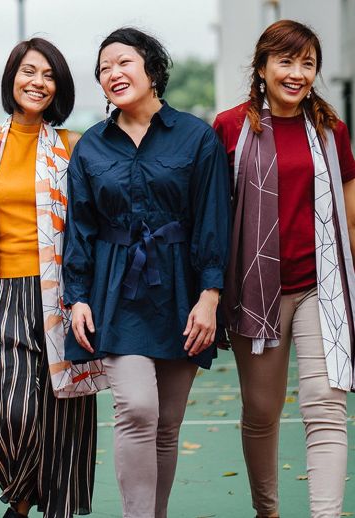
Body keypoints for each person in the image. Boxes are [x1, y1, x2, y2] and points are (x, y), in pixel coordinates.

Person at [62, 28, 231, 517]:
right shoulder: (91, 147)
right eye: (103, 69)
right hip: (115, 291)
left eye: (122, 62)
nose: (112, 74)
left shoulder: (196, 137)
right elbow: (81, 227)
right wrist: (78, 296)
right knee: (136, 409)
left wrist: (210, 295)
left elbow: (212, 220)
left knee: (168, 424)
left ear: (152, 68)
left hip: (182, 290)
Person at [212, 19, 355, 518]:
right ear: (263, 66)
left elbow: (348, 205)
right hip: (257, 291)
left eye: (308, 64)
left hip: (322, 286)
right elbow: (216, 212)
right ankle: (267, 511)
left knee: (325, 406)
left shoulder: (329, 130)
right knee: (262, 412)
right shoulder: (230, 126)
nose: (297, 73)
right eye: (286, 61)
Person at [0, 38, 103, 518]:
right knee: (14, 409)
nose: (37, 83)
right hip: (5, 293)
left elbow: (92, 219)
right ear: (11, 77)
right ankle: (19, 500)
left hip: (62, 292)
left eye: (48, 76)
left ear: (57, 88)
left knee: (65, 409)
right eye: (29, 72)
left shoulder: (71, 145)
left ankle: (54, 507)